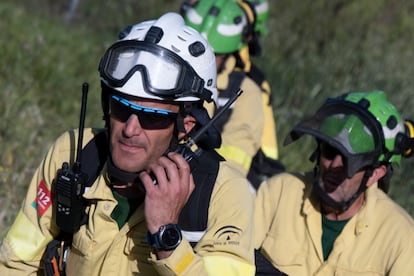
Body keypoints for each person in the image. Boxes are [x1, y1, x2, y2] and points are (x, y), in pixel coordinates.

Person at [0, 12, 255, 275]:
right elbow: (15, 264)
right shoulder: (74, 153)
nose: (130, 129)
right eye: (120, 108)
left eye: (152, 117)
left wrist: (168, 238)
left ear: (186, 125)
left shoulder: (223, 193)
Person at [254, 90, 414, 275]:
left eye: (348, 161)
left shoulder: (401, 238)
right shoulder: (280, 192)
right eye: (330, 151)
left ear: (375, 174)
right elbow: (233, 256)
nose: (334, 166)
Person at [181, 0, 284, 188]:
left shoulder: (246, 91)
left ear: (229, 53)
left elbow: (235, 159)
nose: (200, 62)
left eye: (213, 55)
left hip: (212, 185)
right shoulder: (166, 74)